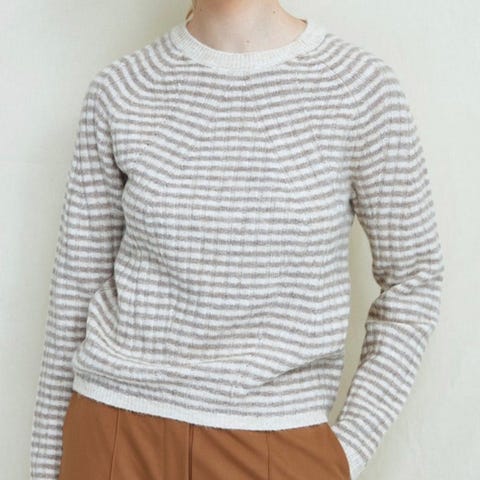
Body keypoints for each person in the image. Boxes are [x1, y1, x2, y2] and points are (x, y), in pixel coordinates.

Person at [29, 1, 445, 479]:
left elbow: (415, 278)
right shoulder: (121, 88)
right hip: (113, 434)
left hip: (273, 442)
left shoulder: (360, 88)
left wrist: (346, 451)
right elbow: (73, 296)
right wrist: (46, 467)